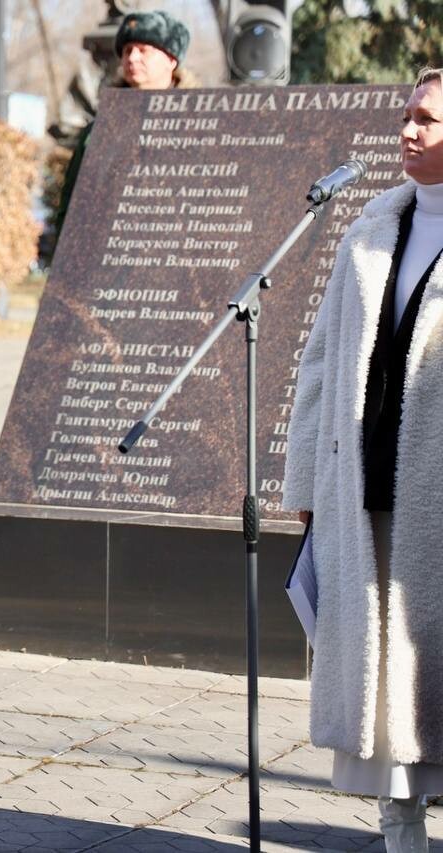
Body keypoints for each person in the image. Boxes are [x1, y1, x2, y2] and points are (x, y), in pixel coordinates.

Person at [283, 67, 443, 852]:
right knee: (384, 699)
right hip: (370, 489)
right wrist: (309, 479)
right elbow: (319, 364)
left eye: (427, 118)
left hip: (439, 506)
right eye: (407, 115)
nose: (409, 130)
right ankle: (399, 840)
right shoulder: (373, 231)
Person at [51, 9, 194, 245]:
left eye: (143, 50)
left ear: (171, 59)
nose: (132, 58)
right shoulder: (101, 128)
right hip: (109, 256)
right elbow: (73, 205)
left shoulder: (199, 122)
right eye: (127, 51)